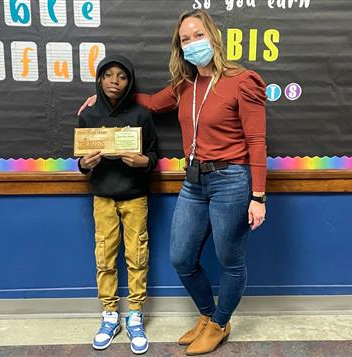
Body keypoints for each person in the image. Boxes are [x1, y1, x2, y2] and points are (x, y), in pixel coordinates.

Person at [79, 9, 267, 355]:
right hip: (194, 182)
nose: (193, 43)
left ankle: (220, 323)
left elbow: (257, 141)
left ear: (213, 36)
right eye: (185, 39)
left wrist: (258, 195)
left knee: (230, 260)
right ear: (179, 48)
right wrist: (105, 96)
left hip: (231, 180)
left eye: (198, 35)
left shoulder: (243, 80)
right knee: (181, 258)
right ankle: (208, 316)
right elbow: (150, 103)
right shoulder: (185, 85)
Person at [78, 54, 158, 354]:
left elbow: (152, 154)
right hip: (102, 197)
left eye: (122, 76)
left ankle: (135, 313)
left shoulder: (141, 115)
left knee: (137, 254)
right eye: (108, 75)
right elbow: (82, 161)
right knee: (105, 257)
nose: (115, 81)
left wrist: (143, 161)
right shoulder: (88, 115)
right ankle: (110, 314)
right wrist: (85, 164)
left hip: (135, 196)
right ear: (99, 79)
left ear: (130, 81)